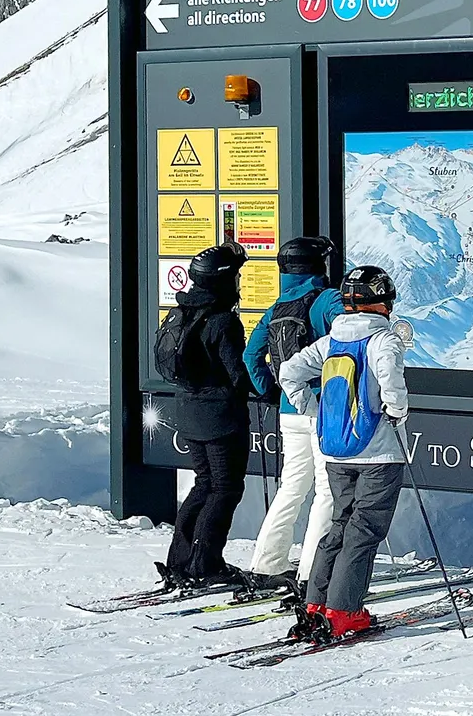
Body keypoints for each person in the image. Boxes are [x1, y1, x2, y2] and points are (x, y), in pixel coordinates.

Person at [277, 264, 410, 641]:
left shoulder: (332, 340)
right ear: (381, 302)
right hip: (378, 452)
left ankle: (315, 604)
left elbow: (289, 372)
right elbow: (391, 384)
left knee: (341, 522)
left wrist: (312, 409)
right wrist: (397, 411)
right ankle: (344, 611)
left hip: (336, 450)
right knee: (365, 529)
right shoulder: (383, 340)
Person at [240, 235, 346, 592]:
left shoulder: (277, 307)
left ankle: (266, 563)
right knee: (327, 490)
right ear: (318, 266)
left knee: (293, 486)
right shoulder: (327, 300)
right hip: (323, 408)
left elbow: (251, 356)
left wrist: (273, 391)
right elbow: (347, 336)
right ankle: (314, 571)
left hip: (289, 408)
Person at [155, 242, 255, 590]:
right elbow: (237, 374)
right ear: (223, 281)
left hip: (188, 412)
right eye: (236, 276)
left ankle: (180, 560)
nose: (239, 283)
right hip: (220, 418)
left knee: (204, 484)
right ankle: (206, 564)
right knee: (225, 488)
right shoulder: (223, 321)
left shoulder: (181, 312)